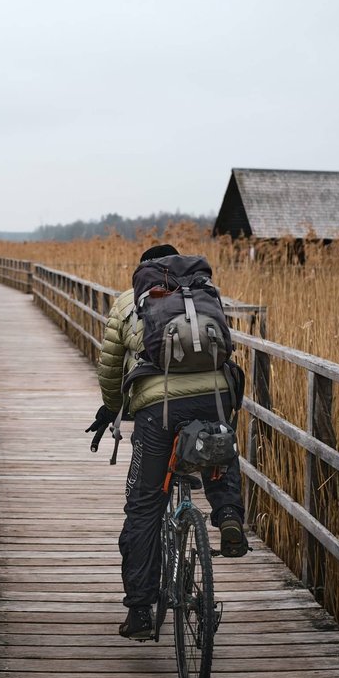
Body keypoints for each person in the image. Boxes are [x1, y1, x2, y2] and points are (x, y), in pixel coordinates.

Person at [87, 243, 247, 641]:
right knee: (218, 443)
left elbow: (109, 367)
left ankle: (141, 611)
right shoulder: (202, 294)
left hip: (158, 410)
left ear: (144, 269)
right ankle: (228, 513)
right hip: (214, 396)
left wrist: (111, 408)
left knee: (144, 507)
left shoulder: (129, 301)